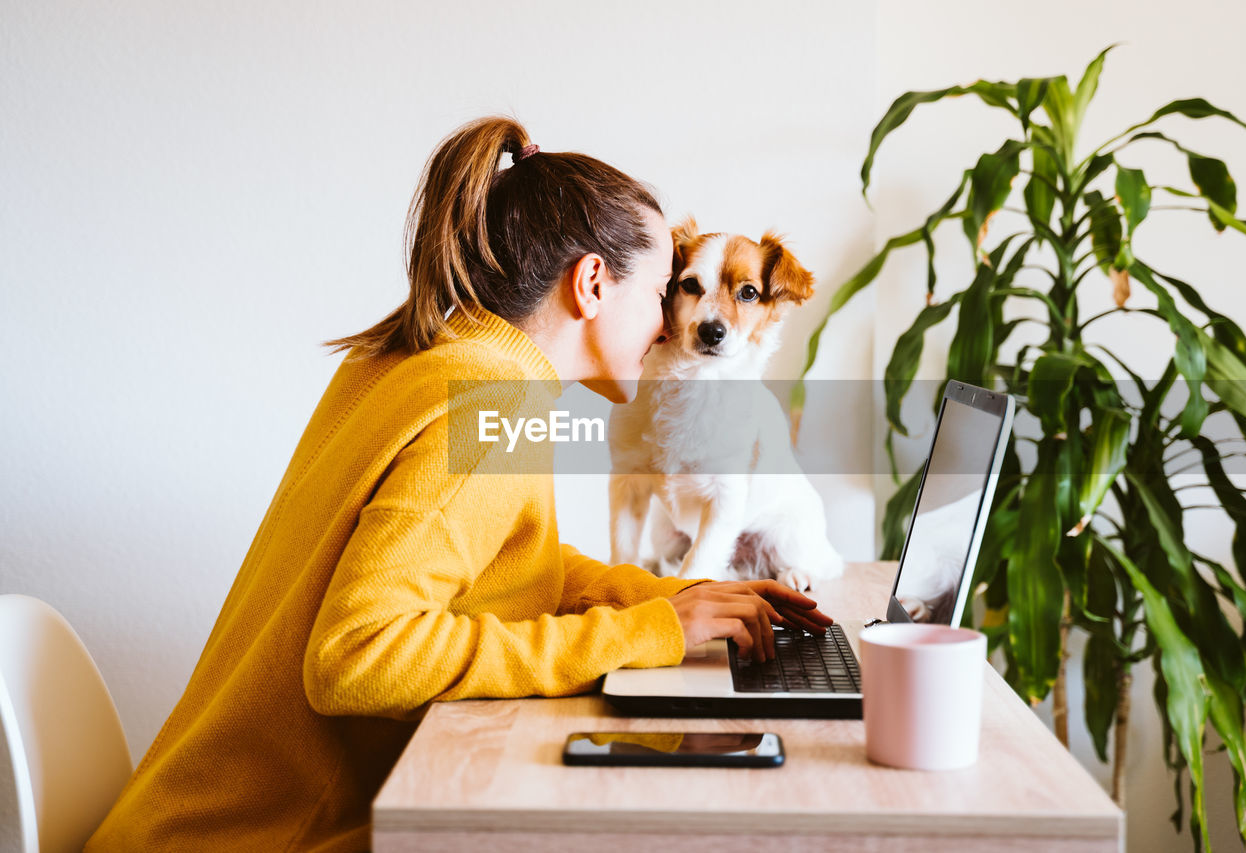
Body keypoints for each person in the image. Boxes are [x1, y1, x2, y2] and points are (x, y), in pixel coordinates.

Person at [85, 116, 833, 852]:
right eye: (667, 289)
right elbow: (358, 658)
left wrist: (668, 600)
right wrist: (646, 633)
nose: (674, 325)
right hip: (258, 838)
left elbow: (509, 566)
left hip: (186, 822)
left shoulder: (434, 357)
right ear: (593, 284)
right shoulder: (492, 403)